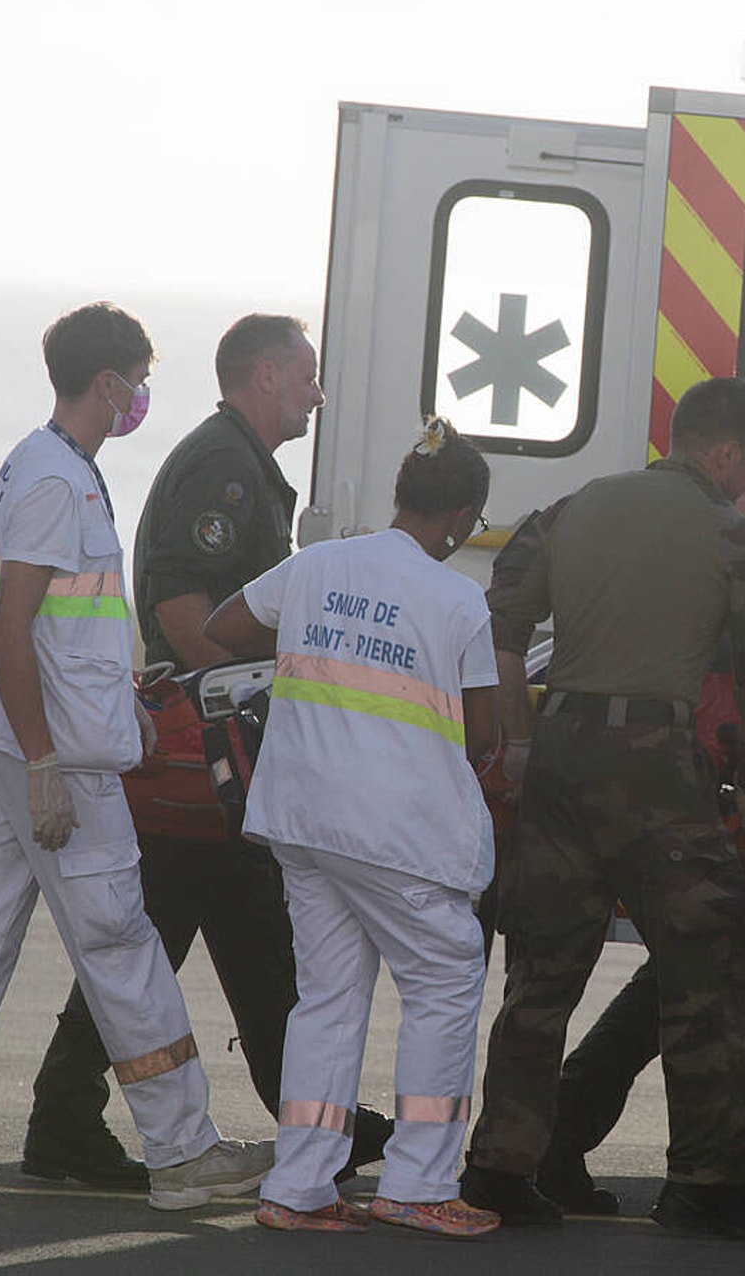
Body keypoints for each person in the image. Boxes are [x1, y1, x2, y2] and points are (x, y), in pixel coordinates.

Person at [22, 314, 391, 1189]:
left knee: (197, 931)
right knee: (225, 930)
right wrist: (252, 714)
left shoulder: (241, 465)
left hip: (209, 755)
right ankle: (307, 1121)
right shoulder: (224, 467)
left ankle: (72, 1118)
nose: (316, 394)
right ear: (264, 376)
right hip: (205, 755)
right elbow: (187, 617)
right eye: (306, 375)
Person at [0, 303, 272, 1210]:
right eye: (139, 382)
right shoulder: (58, 481)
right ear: (107, 383)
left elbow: (41, 629)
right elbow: (10, 630)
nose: (142, 398)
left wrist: (90, 712)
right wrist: (46, 764)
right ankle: (184, 1151)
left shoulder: (35, 461)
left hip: (4, 743)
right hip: (55, 764)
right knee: (120, 944)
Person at [461, 377, 745, 1242]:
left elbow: (498, 627)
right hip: (656, 766)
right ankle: (705, 1183)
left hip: (562, 753)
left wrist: (518, 740)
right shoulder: (734, 539)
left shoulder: (573, 508)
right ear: (724, 451)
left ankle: (500, 1167)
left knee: (541, 972)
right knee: (706, 964)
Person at [533, 385, 745, 1224]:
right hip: (676, 789)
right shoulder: (694, 532)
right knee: (711, 967)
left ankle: (741, 1157)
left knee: (743, 964)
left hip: (735, 786)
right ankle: (708, 1169)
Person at [205, 417, 502, 1238]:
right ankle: (418, 1182)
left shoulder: (318, 565)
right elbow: (484, 735)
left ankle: (299, 1185)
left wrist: (316, 637)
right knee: (445, 983)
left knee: (328, 1002)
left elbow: (225, 625)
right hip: (398, 833)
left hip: (303, 820)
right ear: (460, 518)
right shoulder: (458, 600)